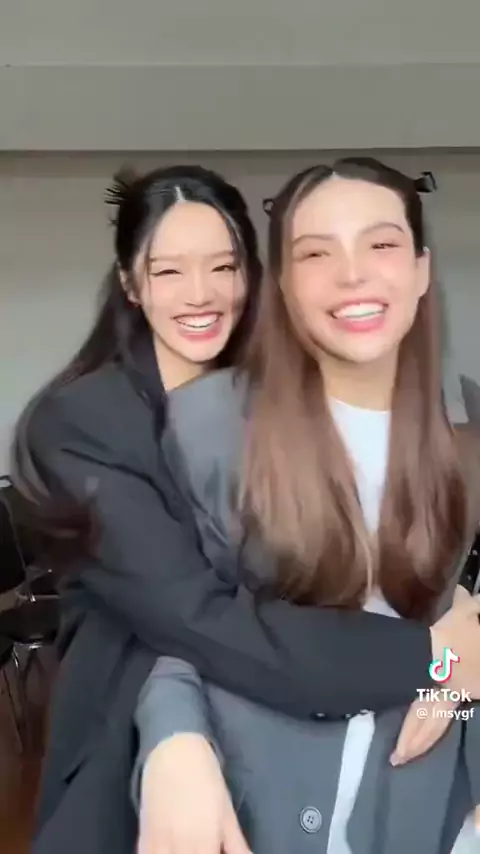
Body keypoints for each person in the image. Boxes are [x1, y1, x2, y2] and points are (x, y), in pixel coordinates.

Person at [11, 163, 480, 854]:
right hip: (135, 705)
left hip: (360, 757)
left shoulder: (411, 408)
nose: (201, 293)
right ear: (131, 283)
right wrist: (438, 659)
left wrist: (460, 641)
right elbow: (195, 618)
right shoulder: (93, 424)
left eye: (224, 266)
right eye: (168, 271)